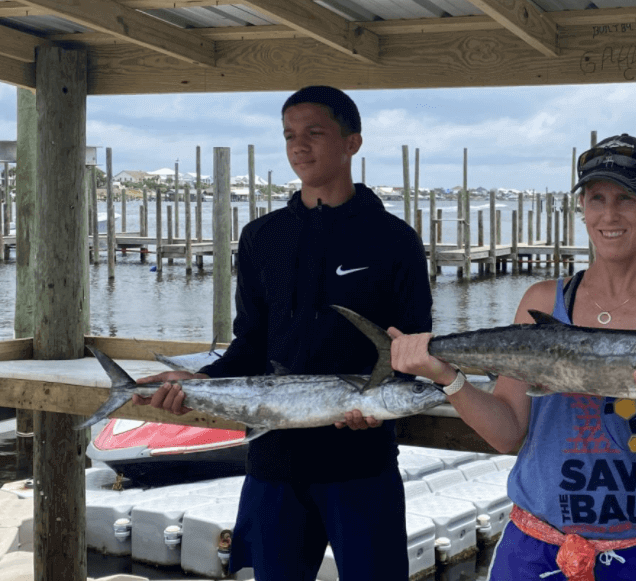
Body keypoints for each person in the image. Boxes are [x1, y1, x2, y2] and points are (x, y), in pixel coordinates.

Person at [131, 85, 433, 581]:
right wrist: (200, 382)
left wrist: (381, 407)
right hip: (273, 462)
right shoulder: (261, 238)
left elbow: (412, 347)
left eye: (314, 133)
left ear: (352, 142)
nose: (299, 146)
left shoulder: (394, 240)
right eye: (290, 135)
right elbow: (249, 344)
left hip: (361, 462)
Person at [391, 133, 636, 580]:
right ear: (583, 209)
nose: (609, 214)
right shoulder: (545, 300)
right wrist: (447, 377)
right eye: (596, 199)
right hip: (538, 552)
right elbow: (509, 433)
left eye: (626, 198)